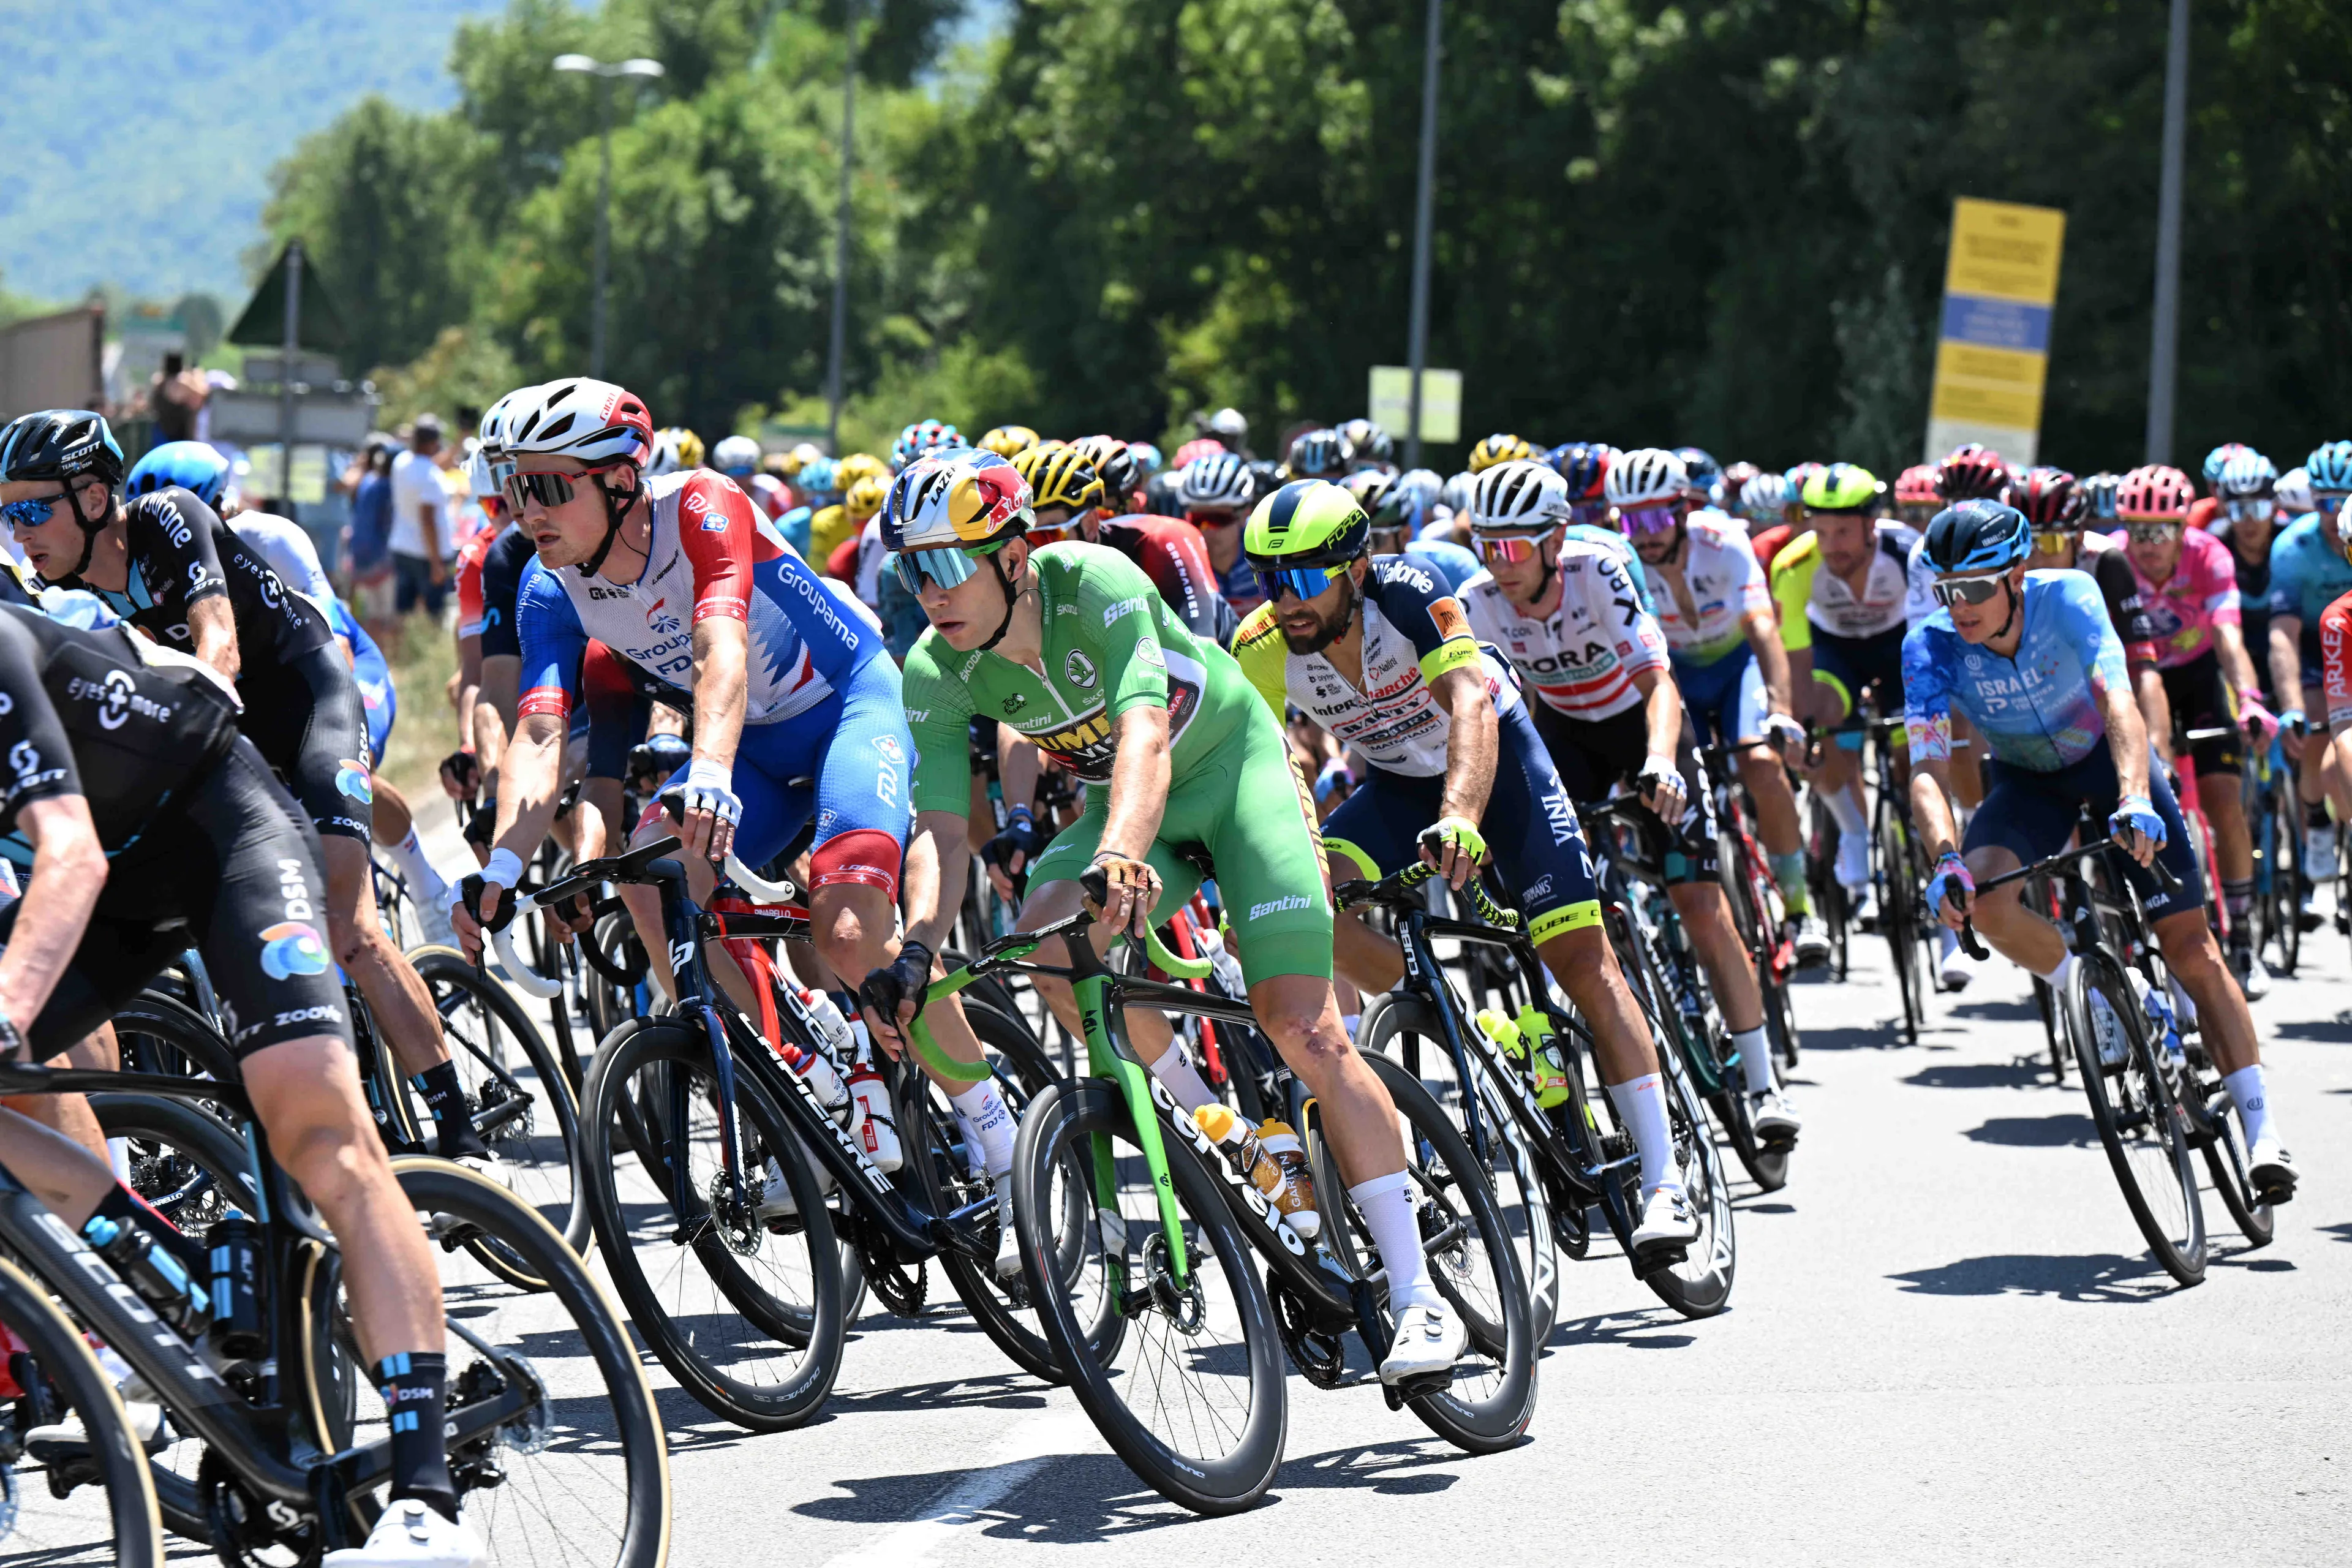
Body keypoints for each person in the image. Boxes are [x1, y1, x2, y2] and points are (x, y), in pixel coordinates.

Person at [876, 453, 1468, 1382]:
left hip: (1232, 781)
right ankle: (1220, 1132)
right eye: (913, 570)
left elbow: (1146, 731)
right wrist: (915, 946)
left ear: (1014, 555)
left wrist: (1119, 849)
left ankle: (1418, 1295)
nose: (929, 592)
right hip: (1129, 813)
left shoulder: (1098, 582)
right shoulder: (936, 670)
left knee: (1302, 1026)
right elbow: (942, 832)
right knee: (1046, 942)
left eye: (948, 566)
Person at [0, 431, 484, 1565]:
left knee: (312, 1117)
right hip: (124, 870)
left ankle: (425, 1498)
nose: (21, 529)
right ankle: (156, 1273)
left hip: (222, 814)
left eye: (36, 509)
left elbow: (63, 857)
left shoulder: (31, 624)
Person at [446, 380, 1023, 1265]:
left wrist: (707, 773)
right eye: (516, 488)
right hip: (752, 744)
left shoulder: (702, 509)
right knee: (651, 880)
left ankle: (997, 1133)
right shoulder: (546, 587)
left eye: (551, 487)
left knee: (844, 929)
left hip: (848, 707)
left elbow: (721, 653)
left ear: (620, 481)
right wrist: (498, 869)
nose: (529, 510)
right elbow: (540, 729)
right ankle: (800, 1071)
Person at [7, 410, 488, 1171]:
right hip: (241, 737)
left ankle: (459, 1130)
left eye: (33, 509)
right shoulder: (74, 592)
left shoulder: (169, 518)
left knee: (347, 927)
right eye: (7, 514)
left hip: (310, 704)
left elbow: (218, 645)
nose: (19, 530)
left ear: (95, 499)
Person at [1904, 498, 2294, 1204]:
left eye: (1973, 588)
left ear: (2016, 574)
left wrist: (2135, 794)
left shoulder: (2072, 596)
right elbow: (1928, 768)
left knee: (2190, 948)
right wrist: (1944, 857)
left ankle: (2263, 1129)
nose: (1957, 606)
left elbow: (2120, 701)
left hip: (2106, 763)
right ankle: (2097, 994)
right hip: (2025, 783)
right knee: (1986, 906)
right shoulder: (1929, 646)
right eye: (1945, 589)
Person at [1455, 461, 1798, 1146]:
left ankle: (1763, 1082)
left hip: (1638, 721)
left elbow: (1659, 685)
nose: (1502, 563)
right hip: (1563, 734)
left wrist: (1663, 762)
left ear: (1556, 543)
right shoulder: (1478, 601)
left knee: (1700, 902)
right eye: (1489, 546)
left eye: (1517, 547)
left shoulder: (1598, 570)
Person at [1616, 447, 1822, 962]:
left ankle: (1800, 909)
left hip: (1735, 667)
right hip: (1677, 675)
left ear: (1684, 511)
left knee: (1759, 763)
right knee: (1669, 783)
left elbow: (1762, 628)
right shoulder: (1622, 560)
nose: (1644, 533)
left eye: (1657, 517)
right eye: (1631, 520)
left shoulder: (1724, 538)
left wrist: (1781, 710)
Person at [2108, 464, 2277, 995]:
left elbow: (2228, 637)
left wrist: (2249, 699)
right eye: (2138, 531)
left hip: (2199, 678)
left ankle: (2245, 937)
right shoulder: (2111, 560)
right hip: (2137, 680)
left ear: (2184, 528)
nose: (2148, 544)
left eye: (2160, 532)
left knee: (2224, 799)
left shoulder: (2210, 555)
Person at [1767, 463, 1933, 922]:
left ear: (1870, 524)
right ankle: (1854, 833)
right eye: (1821, 533)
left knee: (1911, 756)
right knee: (1818, 720)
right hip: (1834, 649)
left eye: (1842, 532)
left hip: (1901, 646)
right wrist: (1803, 730)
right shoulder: (1794, 566)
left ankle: (1922, 851)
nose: (1831, 546)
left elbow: (1935, 642)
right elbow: (1797, 663)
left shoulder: (1910, 554)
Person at [2263, 439, 2352, 907]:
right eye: (2325, 503)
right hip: (2318, 645)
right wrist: (2294, 708)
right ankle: (2317, 819)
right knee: (2320, 720)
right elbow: (2282, 635)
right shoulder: (2294, 546)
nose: (2334, 515)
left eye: (2345, 500)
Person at [1175, 450, 1262, 620]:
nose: (1208, 530)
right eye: (1198, 520)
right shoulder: (1178, 564)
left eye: (1219, 519)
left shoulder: (1267, 553)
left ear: (1245, 514)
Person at [390, 414, 452, 618]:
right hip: (426, 555)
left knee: (404, 613)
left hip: (402, 546)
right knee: (433, 614)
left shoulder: (401, 462)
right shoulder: (431, 476)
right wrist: (436, 563)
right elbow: (427, 520)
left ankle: (399, 651)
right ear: (434, 442)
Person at [342, 433, 399, 638]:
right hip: (382, 559)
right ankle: (388, 660)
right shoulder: (388, 487)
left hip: (361, 557)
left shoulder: (367, 481)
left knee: (371, 616)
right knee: (387, 616)